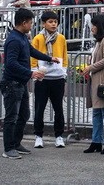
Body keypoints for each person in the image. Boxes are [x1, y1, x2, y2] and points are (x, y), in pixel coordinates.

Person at [0, 8, 58, 159]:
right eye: (31, 23)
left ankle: (16, 143)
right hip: (12, 83)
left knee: (24, 114)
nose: (32, 25)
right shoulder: (14, 40)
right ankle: (8, 148)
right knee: (11, 117)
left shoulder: (22, 37)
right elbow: (10, 63)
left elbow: (31, 51)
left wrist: (49, 58)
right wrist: (31, 73)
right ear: (24, 22)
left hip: (20, 83)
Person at [31, 11, 68, 149]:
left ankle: (59, 136)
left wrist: (63, 72)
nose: (53, 24)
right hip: (43, 77)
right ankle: (38, 136)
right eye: (50, 22)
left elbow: (65, 55)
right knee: (39, 108)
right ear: (43, 23)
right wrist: (35, 72)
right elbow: (33, 57)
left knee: (58, 108)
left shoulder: (61, 38)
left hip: (57, 77)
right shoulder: (38, 38)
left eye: (55, 22)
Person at [82, 14, 104, 155]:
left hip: (103, 81)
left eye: (94, 25)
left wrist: (91, 67)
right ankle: (96, 141)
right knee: (97, 112)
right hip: (96, 80)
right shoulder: (99, 41)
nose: (92, 27)